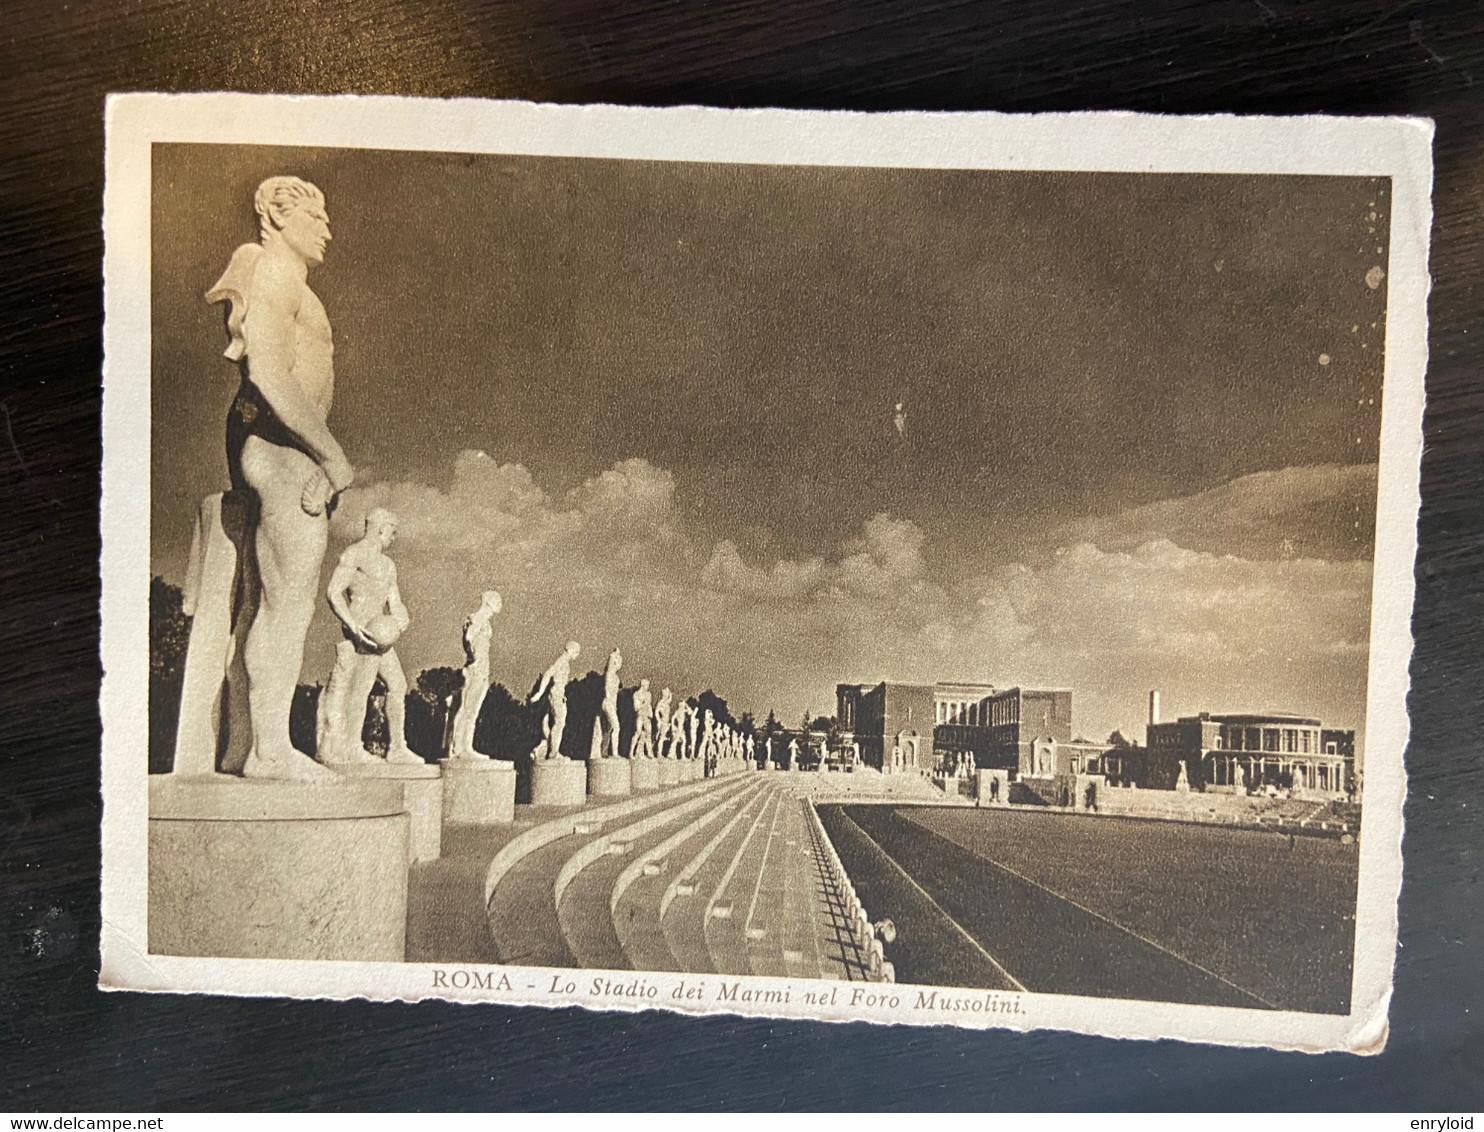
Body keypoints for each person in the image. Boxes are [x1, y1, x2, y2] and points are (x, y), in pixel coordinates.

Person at [208, 175, 350, 781]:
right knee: (285, 607)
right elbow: (266, 371)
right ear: (277, 216)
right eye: (315, 217)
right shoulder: (270, 271)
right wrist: (334, 458)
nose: (326, 229)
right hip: (280, 450)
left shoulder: (288, 282)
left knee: (267, 604)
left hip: (287, 451)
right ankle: (270, 750)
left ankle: (248, 745)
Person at [317, 509, 418, 765]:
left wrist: (400, 616)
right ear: (380, 527)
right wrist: (352, 625)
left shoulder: (388, 565)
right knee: (360, 689)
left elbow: (394, 601)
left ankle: (397, 747)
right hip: (362, 633)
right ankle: (352, 746)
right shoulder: (354, 555)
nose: (394, 537)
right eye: (392, 531)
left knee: (398, 686)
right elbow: (333, 592)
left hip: (381, 636)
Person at [449, 590, 502, 760]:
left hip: (481, 670)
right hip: (476, 669)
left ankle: (465, 746)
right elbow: (469, 636)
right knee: (467, 708)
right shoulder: (479, 617)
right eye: (498, 601)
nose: (499, 605)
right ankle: (459, 747)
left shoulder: (483, 620)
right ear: (490, 602)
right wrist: (472, 656)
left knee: (472, 710)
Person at [530, 641, 581, 758]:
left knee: (557, 723)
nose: (577, 656)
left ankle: (540, 750)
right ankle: (553, 752)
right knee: (559, 723)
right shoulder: (562, 661)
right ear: (571, 650)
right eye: (577, 652)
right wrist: (539, 692)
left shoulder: (564, 662)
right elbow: (548, 674)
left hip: (558, 694)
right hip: (556, 694)